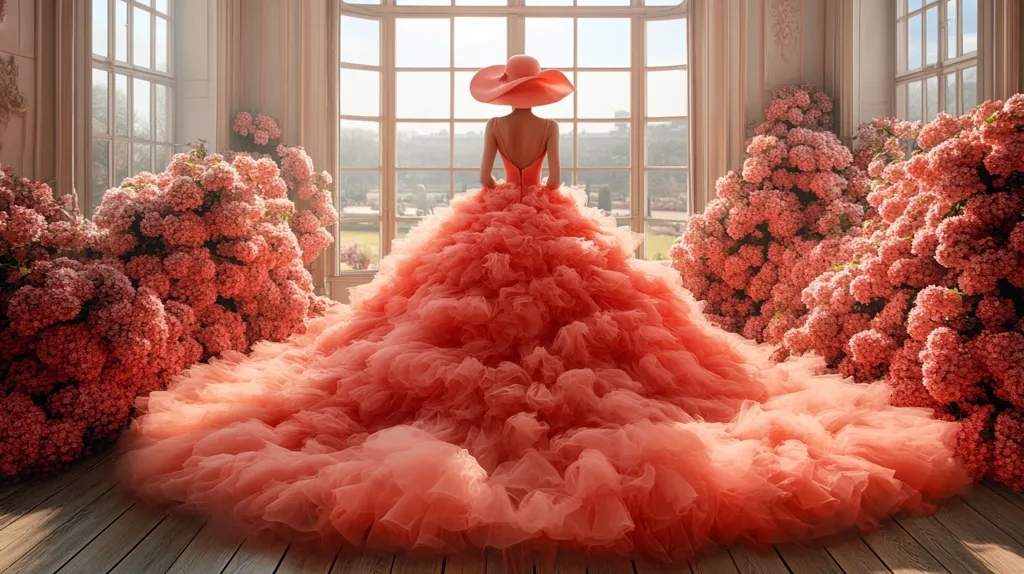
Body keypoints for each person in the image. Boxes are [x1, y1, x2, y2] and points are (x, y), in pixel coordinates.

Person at [118, 55, 968, 565]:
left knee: (454, 327)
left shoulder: (499, 132)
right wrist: (535, 203)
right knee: (592, 327)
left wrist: (505, 202)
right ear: (538, 101)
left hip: (496, 216)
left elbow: (493, 180)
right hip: (545, 218)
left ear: (505, 101)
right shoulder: (547, 134)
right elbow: (549, 182)